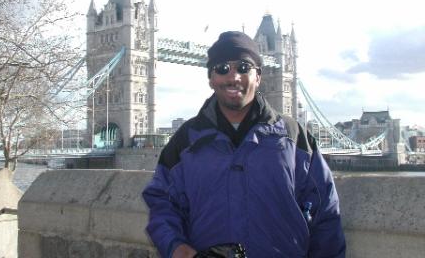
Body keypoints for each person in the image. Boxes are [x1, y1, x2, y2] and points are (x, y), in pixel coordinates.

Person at [142, 31, 346, 258]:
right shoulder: (185, 141)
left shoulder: (295, 137)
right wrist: (175, 247)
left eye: (243, 67)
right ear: (211, 78)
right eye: (222, 69)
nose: (233, 77)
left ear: (258, 76)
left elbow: (326, 215)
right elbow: (162, 204)